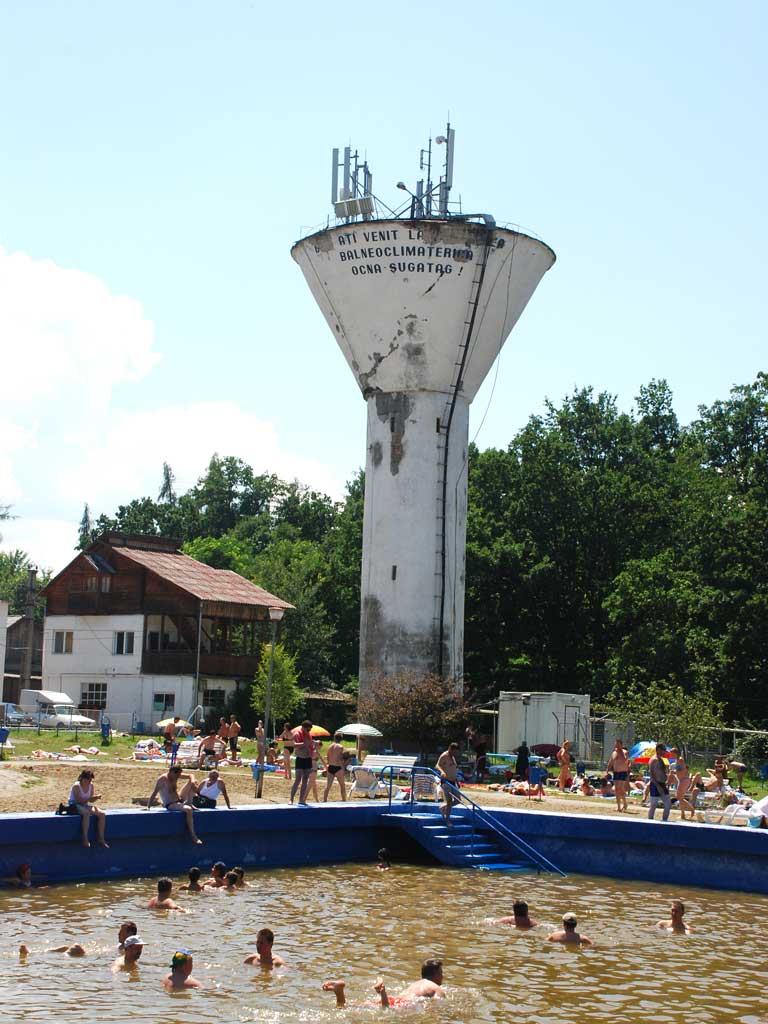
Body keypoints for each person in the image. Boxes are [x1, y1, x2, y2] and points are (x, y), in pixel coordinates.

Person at [323, 958, 446, 1008]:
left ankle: (339, 992)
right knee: (386, 1008)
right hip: (404, 1004)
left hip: (397, 999)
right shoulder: (435, 988)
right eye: (441, 973)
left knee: (356, 1006)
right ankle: (383, 992)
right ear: (435, 975)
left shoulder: (416, 984)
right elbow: (436, 1006)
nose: (442, 976)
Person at [146, 765, 202, 844]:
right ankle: (193, 835)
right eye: (178, 775)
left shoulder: (175, 775)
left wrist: (192, 782)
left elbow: (191, 775)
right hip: (171, 804)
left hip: (180, 799)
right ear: (172, 772)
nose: (179, 777)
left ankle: (189, 802)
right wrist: (148, 806)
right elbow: (154, 793)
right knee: (189, 810)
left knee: (194, 781)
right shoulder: (162, 779)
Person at [67, 769, 109, 848]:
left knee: (102, 814)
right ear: (83, 778)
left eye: (90, 779)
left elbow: (91, 800)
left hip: (84, 804)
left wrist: (96, 797)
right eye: (88, 779)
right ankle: (85, 838)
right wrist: (89, 799)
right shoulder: (76, 786)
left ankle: (101, 838)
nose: (89, 781)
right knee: (86, 813)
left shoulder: (91, 785)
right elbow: (78, 800)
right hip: (74, 805)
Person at [436, 742, 460, 827]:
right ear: (450, 748)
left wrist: (457, 780)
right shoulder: (444, 755)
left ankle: (443, 807)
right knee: (449, 801)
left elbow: (454, 769)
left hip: (453, 781)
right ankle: (448, 821)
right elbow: (437, 765)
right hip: (446, 782)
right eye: (454, 751)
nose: (455, 753)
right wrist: (442, 772)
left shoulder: (453, 757)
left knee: (458, 800)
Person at [290, 720, 314, 805]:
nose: (308, 731)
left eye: (309, 730)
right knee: (297, 779)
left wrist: (312, 745)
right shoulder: (297, 734)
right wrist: (304, 743)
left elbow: (310, 746)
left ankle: (301, 799)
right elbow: (294, 745)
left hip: (307, 759)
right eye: (307, 730)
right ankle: (291, 799)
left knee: (305, 780)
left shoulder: (309, 735)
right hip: (300, 758)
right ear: (303, 728)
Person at [669, 748, 695, 820]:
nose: (671, 755)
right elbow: (679, 770)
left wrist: (674, 771)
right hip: (681, 780)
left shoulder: (680, 760)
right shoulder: (677, 760)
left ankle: (691, 809)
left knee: (679, 797)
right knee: (680, 797)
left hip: (684, 780)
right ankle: (683, 814)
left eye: (672, 754)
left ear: (676, 753)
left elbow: (682, 770)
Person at [648, 744, 672, 821]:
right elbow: (652, 775)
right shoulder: (653, 760)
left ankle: (664, 821)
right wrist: (658, 786)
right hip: (655, 784)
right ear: (658, 750)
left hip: (662, 784)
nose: (664, 752)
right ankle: (650, 821)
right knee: (653, 805)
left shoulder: (661, 760)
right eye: (663, 750)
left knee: (668, 804)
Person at [607, 739, 630, 812]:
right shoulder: (614, 753)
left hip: (623, 772)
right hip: (616, 772)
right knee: (617, 789)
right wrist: (607, 769)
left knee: (621, 788)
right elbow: (611, 761)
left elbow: (627, 761)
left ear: (621, 745)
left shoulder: (625, 752)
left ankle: (625, 803)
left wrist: (620, 753)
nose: (616, 746)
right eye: (616, 744)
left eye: (618, 744)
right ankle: (618, 806)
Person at [323, 734, 348, 801]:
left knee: (328, 786)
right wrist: (343, 767)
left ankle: (324, 800)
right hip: (338, 767)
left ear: (334, 738)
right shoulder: (340, 747)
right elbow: (340, 758)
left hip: (330, 766)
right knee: (342, 785)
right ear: (341, 739)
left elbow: (328, 757)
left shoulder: (330, 746)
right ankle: (344, 800)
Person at [309, 737, 325, 802]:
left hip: (310, 769)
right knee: (311, 785)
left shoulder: (311, 751)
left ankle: (317, 800)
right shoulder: (315, 752)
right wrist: (327, 768)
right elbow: (323, 761)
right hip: (313, 770)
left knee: (313, 785)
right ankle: (315, 800)